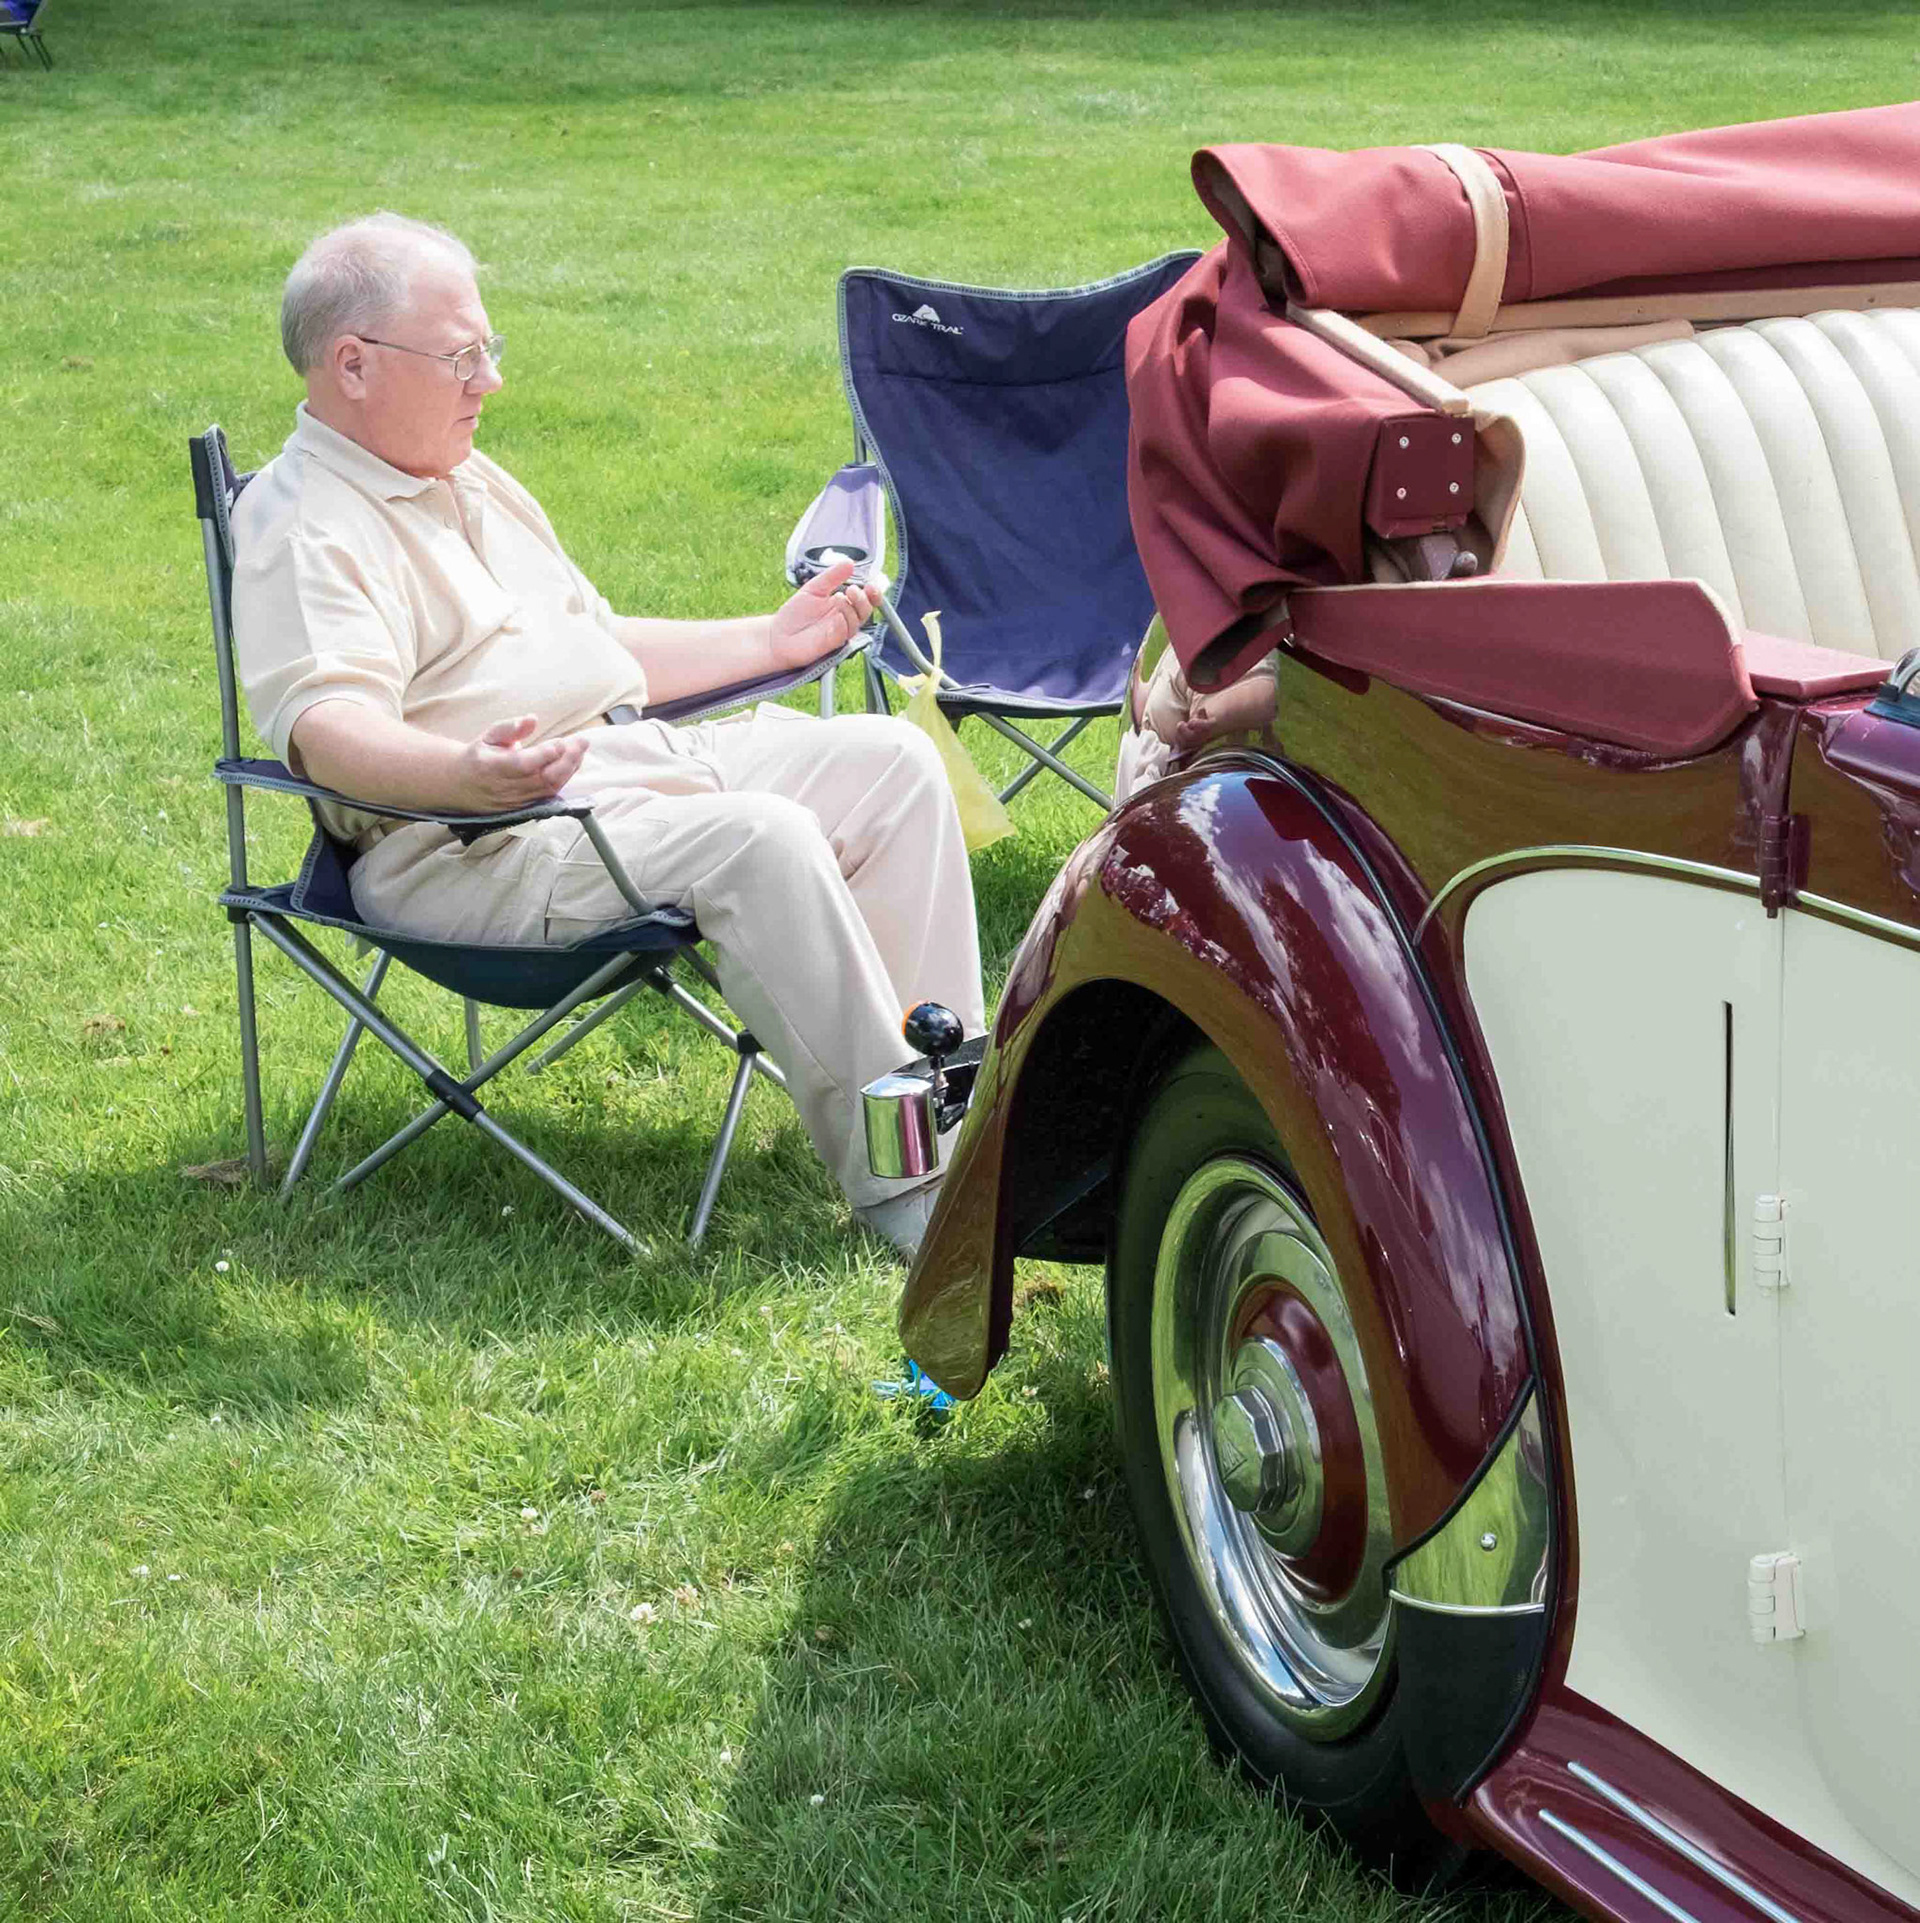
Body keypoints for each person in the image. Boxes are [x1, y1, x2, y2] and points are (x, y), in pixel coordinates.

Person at [230, 212, 984, 1255]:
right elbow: (328, 730)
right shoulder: (305, 523)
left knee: (892, 765)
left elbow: (593, 646)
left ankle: (944, 1101)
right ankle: (915, 1194)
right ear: (351, 366)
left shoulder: (461, 473)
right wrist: (462, 774)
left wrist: (770, 636)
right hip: (483, 845)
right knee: (760, 838)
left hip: (626, 767)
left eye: (488, 350)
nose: (488, 380)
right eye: (461, 356)